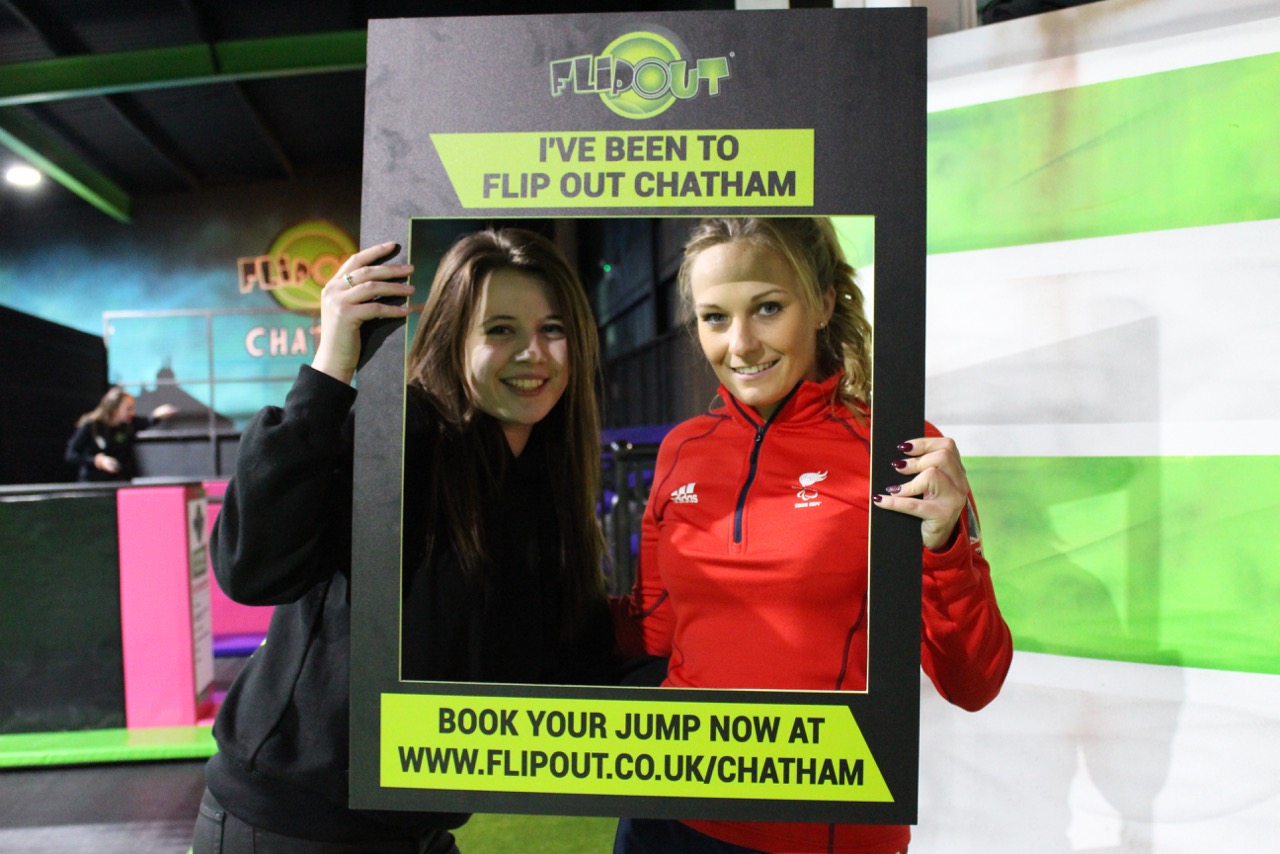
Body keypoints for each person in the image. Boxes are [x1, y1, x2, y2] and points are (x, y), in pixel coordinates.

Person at [193, 230, 618, 853]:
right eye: (500, 330)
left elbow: (562, 655)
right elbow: (250, 568)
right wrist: (329, 368)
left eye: (552, 329)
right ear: (453, 336)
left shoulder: (543, 475)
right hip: (292, 824)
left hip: (410, 821)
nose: (533, 354)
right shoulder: (403, 432)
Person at [611, 217, 1014, 854]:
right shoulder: (682, 449)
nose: (741, 344)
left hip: (822, 830)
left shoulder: (894, 449)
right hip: (664, 814)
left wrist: (947, 547)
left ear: (824, 303)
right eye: (715, 318)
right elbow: (654, 628)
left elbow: (973, 682)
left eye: (768, 308)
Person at [64, 386, 177, 481]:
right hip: (93, 483)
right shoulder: (91, 426)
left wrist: (157, 415)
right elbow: (71, 454)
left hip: (119, 482)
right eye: (128, 409)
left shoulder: (128, 425)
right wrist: (98, 461)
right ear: (114, 409)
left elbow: (146, 421)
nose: (132, 413)